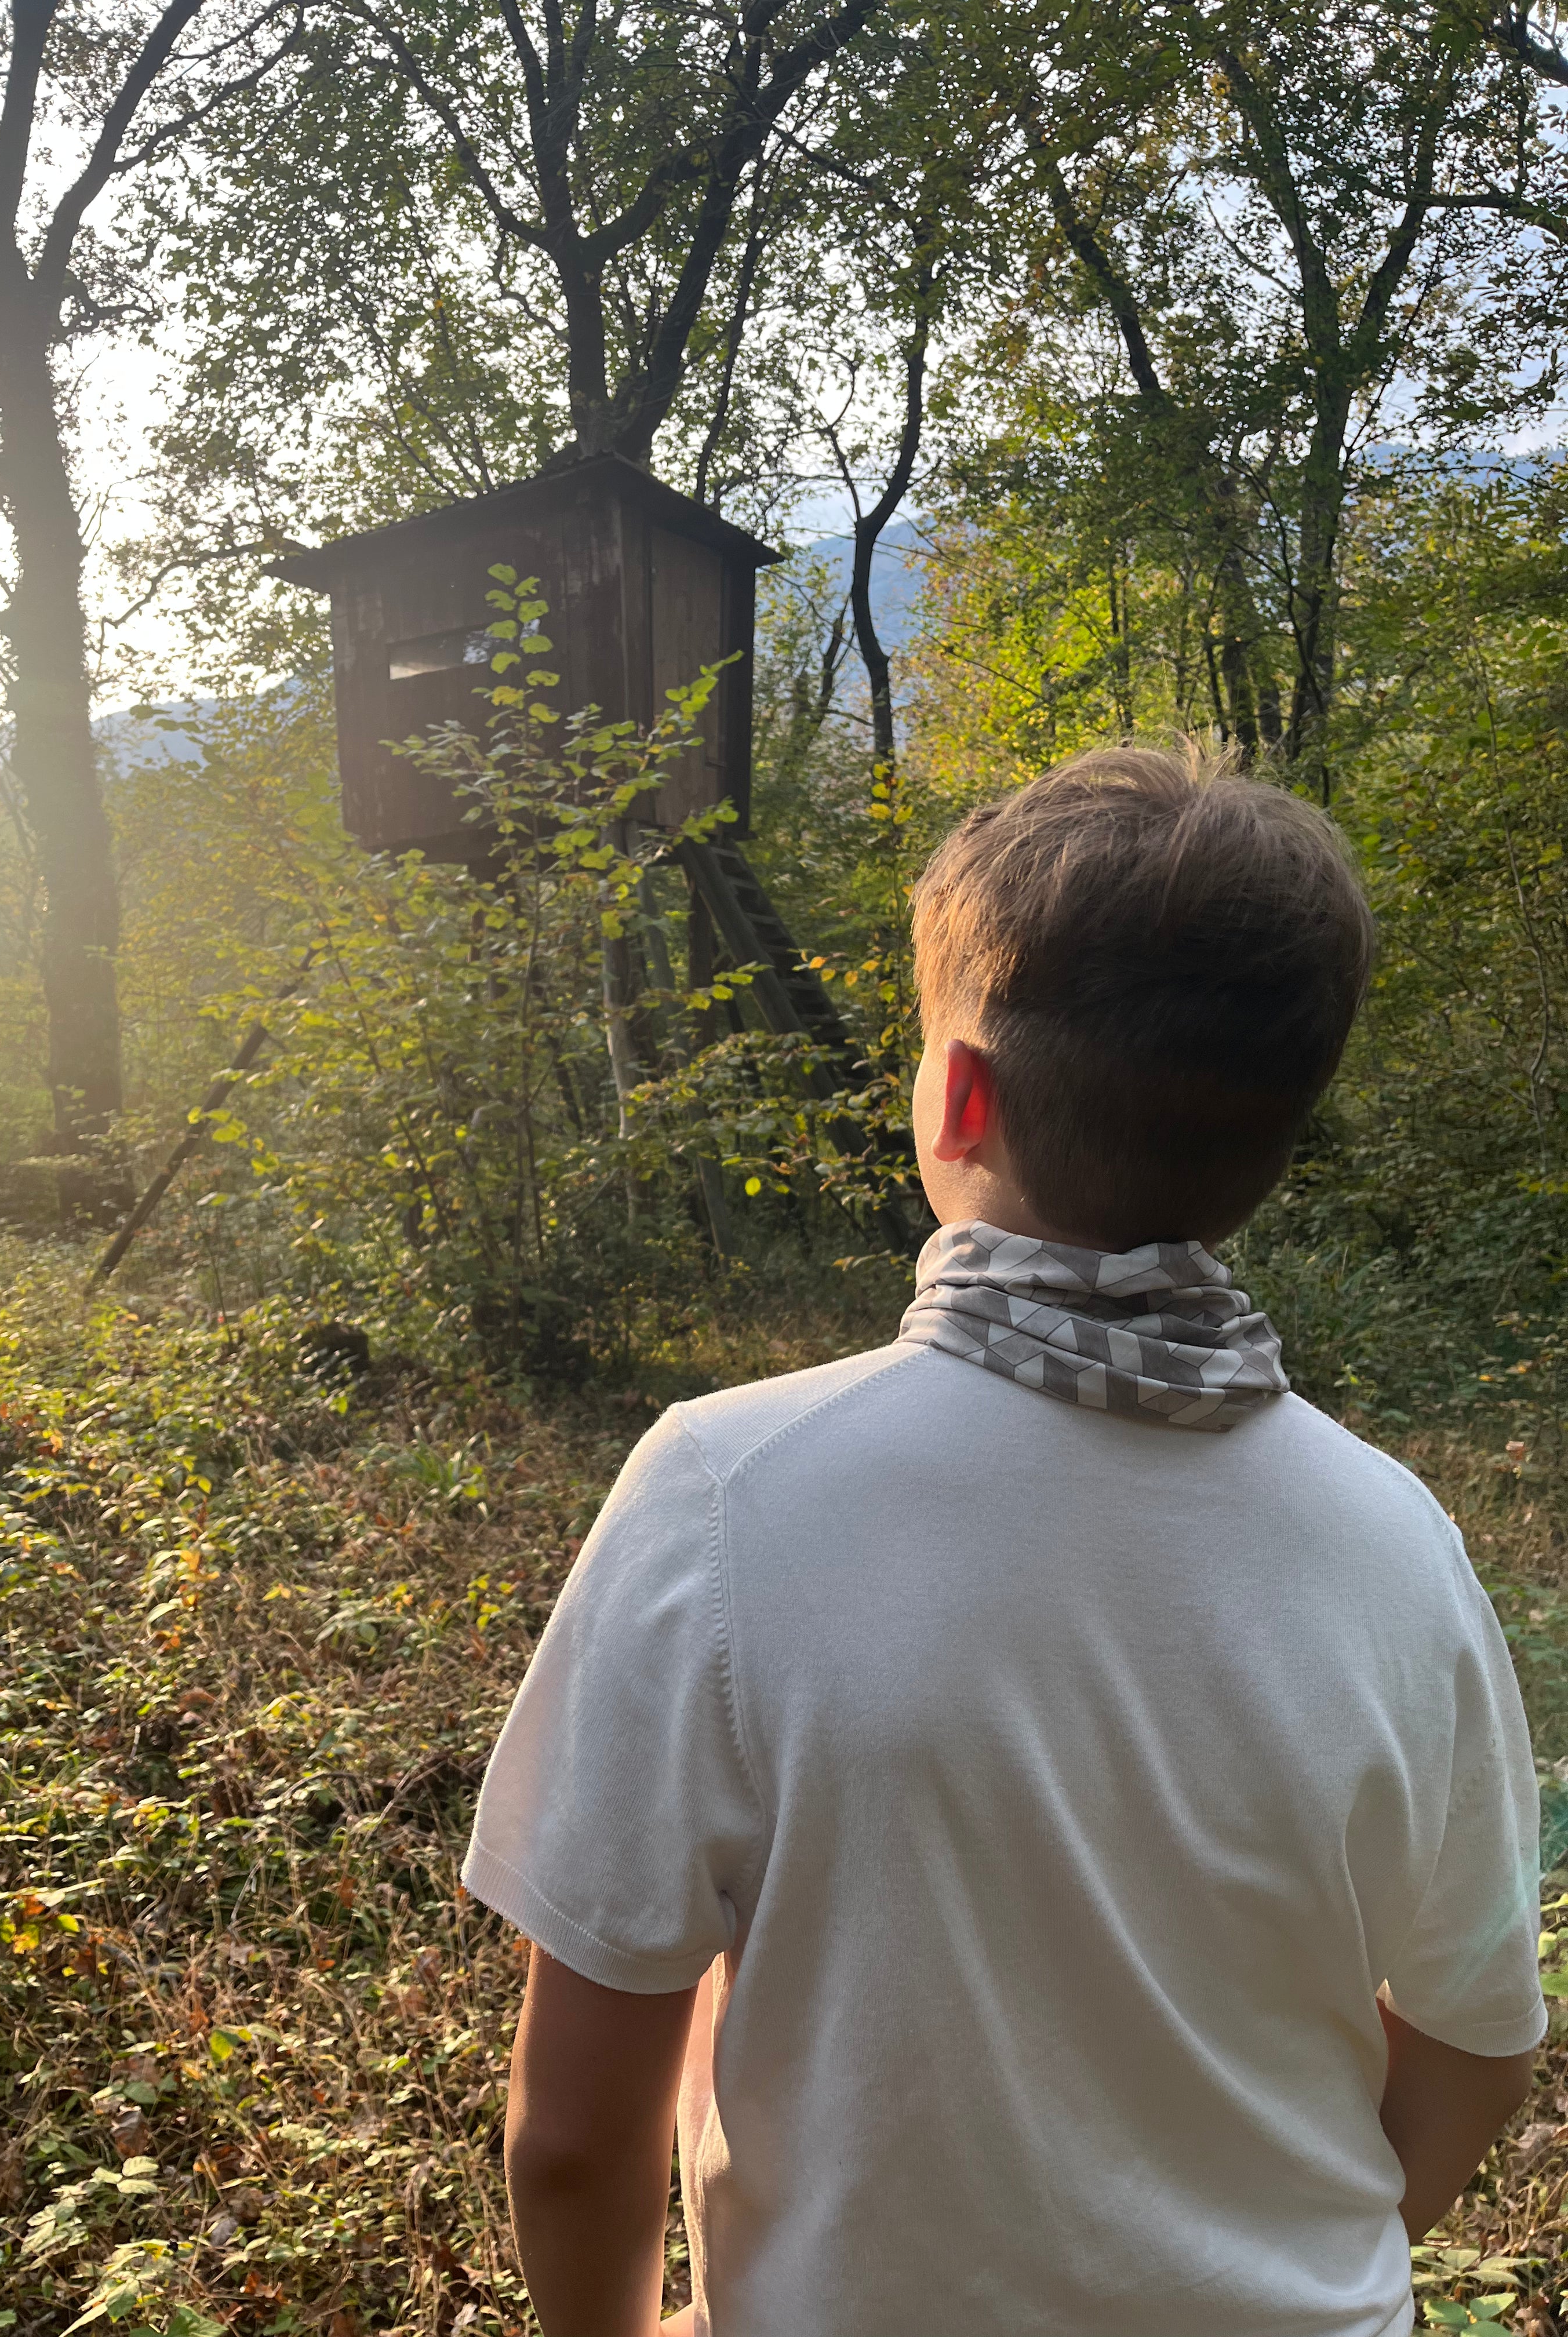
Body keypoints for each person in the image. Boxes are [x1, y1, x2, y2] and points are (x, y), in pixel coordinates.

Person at [462, 744, 1545, 2337]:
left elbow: (572, 2136)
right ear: (1272, 1142)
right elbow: (1476, 2041)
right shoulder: (1400, 1541)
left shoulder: (725, 1493)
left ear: (960, 1092)